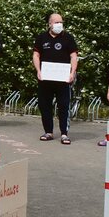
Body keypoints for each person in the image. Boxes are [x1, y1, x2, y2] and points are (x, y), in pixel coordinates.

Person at [32, 13, 78, 145]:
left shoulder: (68, 38)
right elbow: (36, 55)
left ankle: (64, 133)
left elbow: (74, 56)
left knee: (64, 105)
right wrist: (38, 71)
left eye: (61, 22)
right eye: (56, 22)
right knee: (44, 105)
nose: (59, 25)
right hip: (45, 78)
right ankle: (48, 132)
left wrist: (72, 72)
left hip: (63, 79)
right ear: (50, 23)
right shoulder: (42, 37)